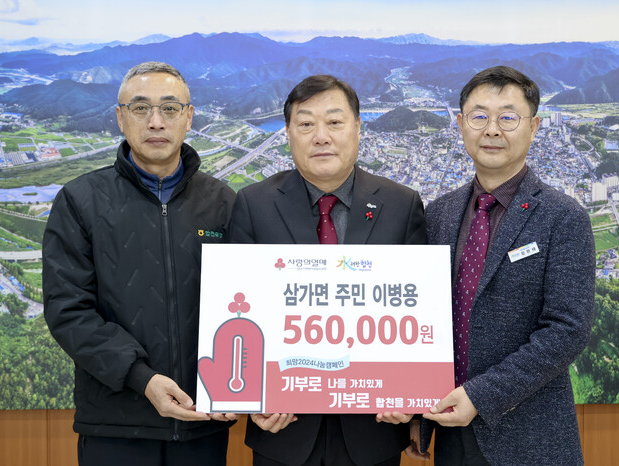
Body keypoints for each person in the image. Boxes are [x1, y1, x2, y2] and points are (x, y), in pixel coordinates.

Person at [43, 61, 237, 466]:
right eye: (140, 108)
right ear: (120, 118)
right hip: (116, 424)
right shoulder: (80, 200)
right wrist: (141, 378)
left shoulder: (223, 202)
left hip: (202, 421)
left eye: (170, 108)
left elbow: (249, 303)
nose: (155, 121)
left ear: (189, 117)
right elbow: (68, 310)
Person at [229, 74, 427, 466]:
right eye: (306, 124)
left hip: (374, 429)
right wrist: (252, 398)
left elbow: (419, 311)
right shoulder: (253, 204)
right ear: (288, 133)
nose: (321, 136)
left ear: (358, 128)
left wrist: (411, 398)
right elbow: (238, 309)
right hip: (282, 430)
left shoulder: (401, 204)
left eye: (334, 122)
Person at [407, 66, 596, 465]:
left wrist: (480, 396)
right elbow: (425, 320)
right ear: (461, 124)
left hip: (530, 437)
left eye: (508, 117)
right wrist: (417, 413)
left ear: (534, 126)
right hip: (450, 433)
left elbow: (567, 330)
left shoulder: (563, 217)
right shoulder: (439, 214)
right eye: (479, 116)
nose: (492, 130)